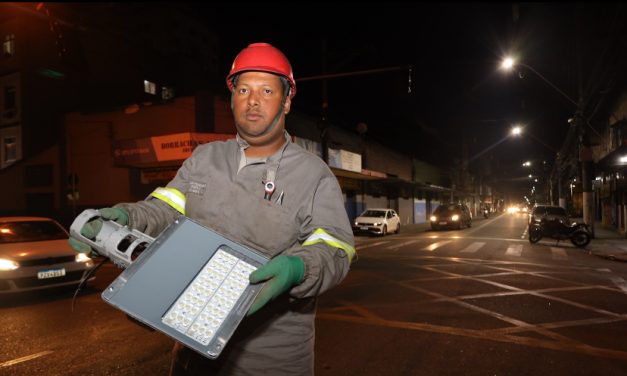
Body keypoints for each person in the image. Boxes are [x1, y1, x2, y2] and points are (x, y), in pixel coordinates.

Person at [69, 42, 356, 375]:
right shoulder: (205, 158)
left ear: (287, 101)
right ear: (232, 97)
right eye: (243, 89)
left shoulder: (313, 174)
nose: (253, 100)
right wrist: (125, 217)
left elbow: (336, 247)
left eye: (267, 90)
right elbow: (166, 209)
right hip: (192, 350)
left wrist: (298, 269)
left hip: (271, 362)